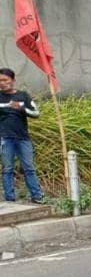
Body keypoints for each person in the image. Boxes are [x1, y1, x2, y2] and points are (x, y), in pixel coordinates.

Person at [0, 68, 44, 203]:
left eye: (5, 80)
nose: (2, 83)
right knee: (7, 169)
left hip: (23, 139)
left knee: (29, 168)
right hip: (4, 139)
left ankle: (37, 197)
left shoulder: (23, 96)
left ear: (13, 80)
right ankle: (9, 199)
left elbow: (36, 113)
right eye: (0, 80)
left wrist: (21, 108)